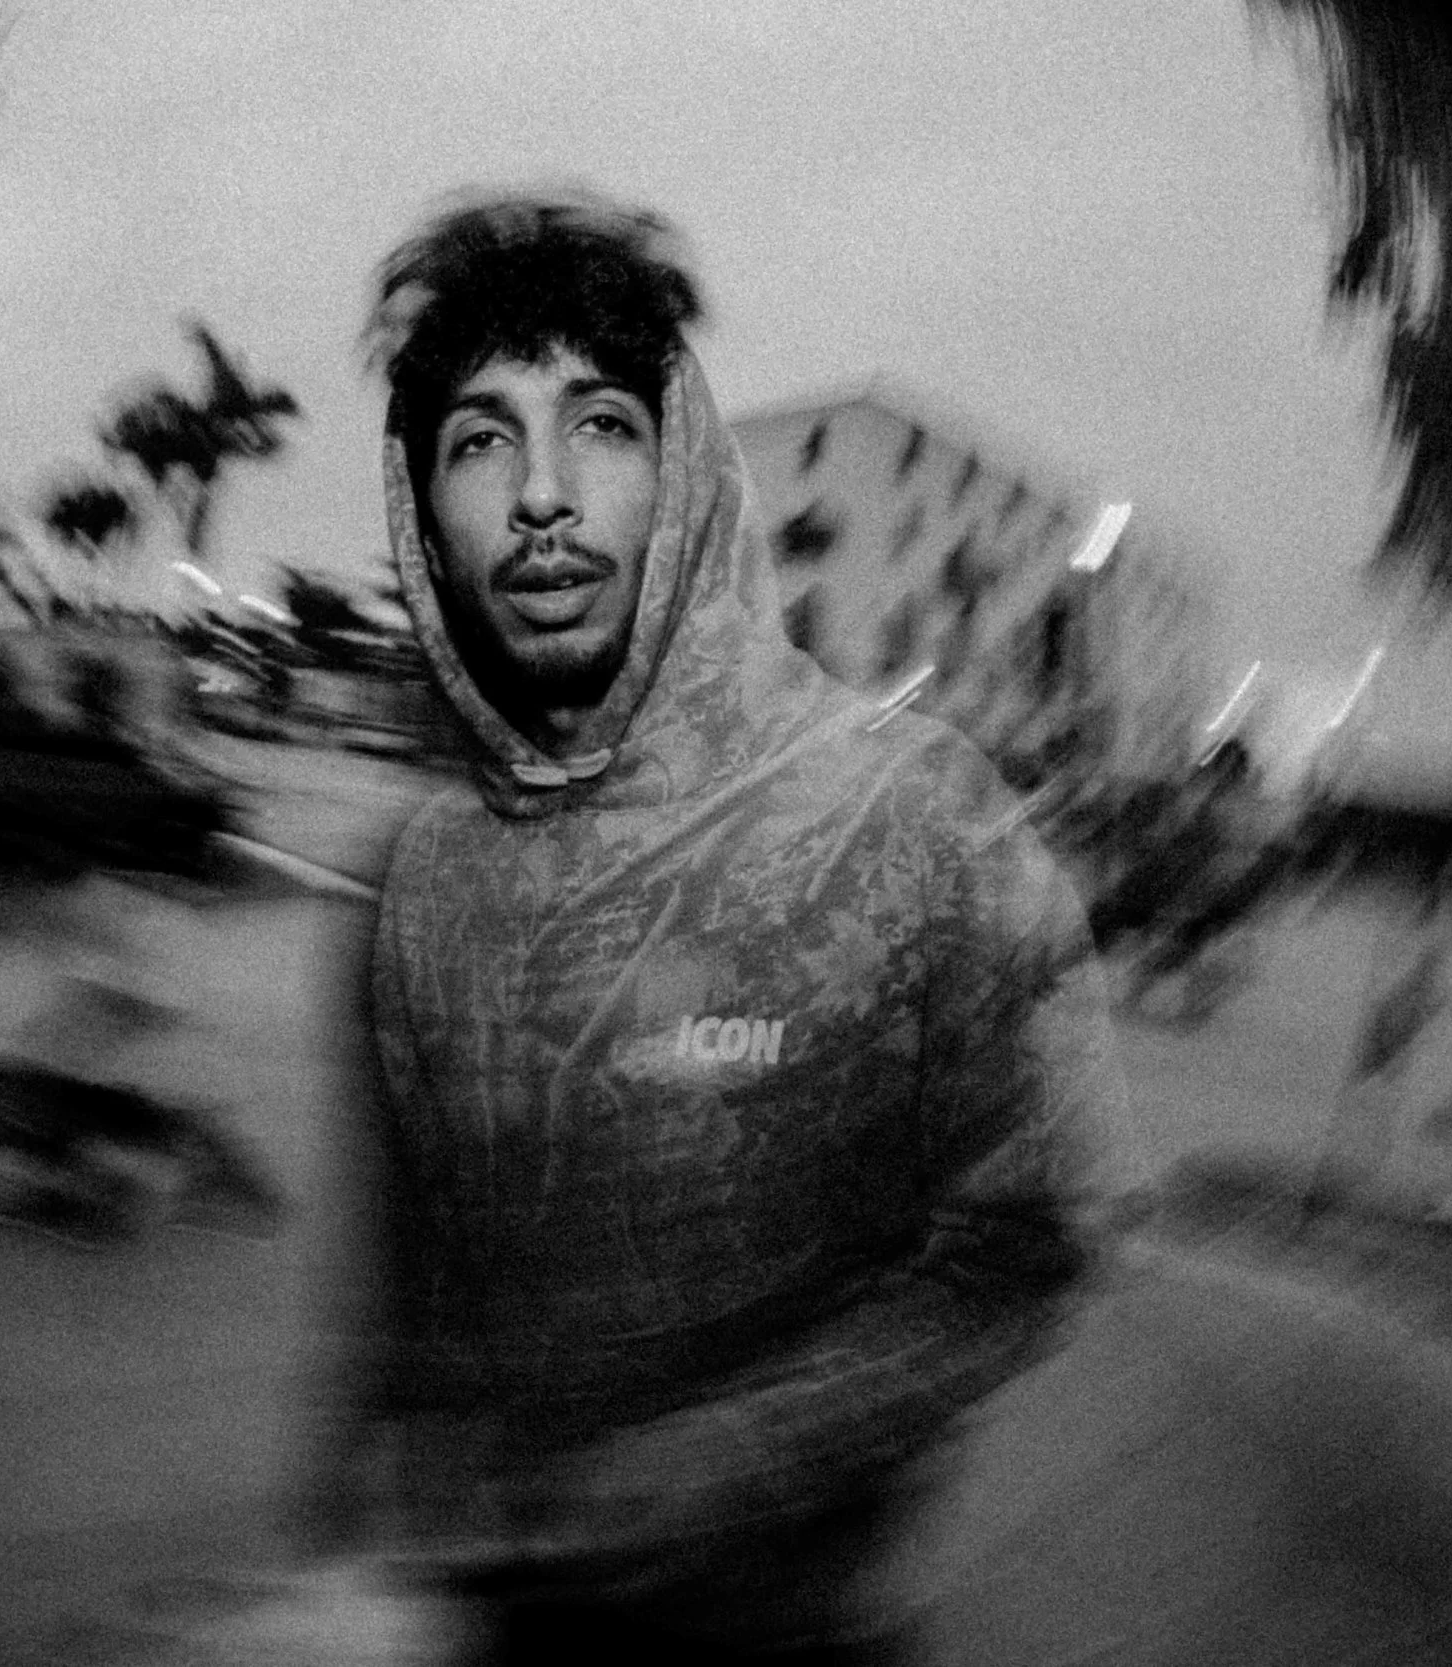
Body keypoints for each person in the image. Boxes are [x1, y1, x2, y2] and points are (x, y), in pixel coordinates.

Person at [315, 189, 1128, 1664]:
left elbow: (1026, 1241)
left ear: (685, 472)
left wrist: (705, 1469)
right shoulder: (418, 881)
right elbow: (404, 1285)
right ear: (422, 512)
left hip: (792, 1628)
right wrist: (364, 1505)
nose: (540, 491)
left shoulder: (913, 824)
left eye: (602, 424)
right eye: (480, 438)